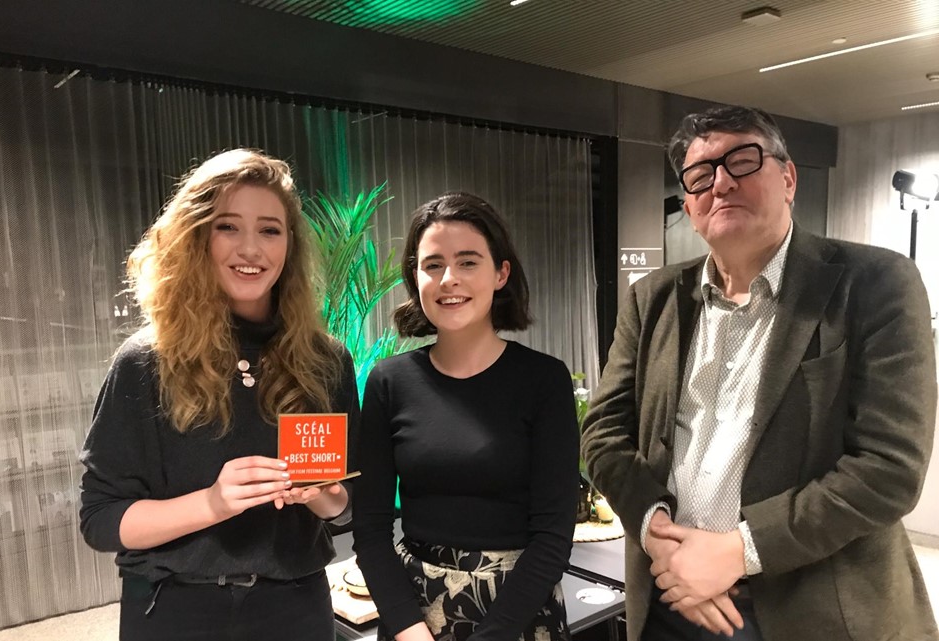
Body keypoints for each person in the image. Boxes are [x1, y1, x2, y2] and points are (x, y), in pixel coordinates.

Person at [581, 105, 938, 641]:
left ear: (788, 177)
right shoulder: (650, 300)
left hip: (812, 610)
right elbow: (603, 433)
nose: (721, 183)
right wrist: (659, 536)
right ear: (688, 206)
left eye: (742, 161)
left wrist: (738, 552)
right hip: (669, 600)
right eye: (700, 176)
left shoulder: (874, 284)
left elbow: (888, 468)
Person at [79, 149, 360, 641]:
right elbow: (102, 520)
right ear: (197, 237)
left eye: (270, 229)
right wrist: (211, 503)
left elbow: (351, 505)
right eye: (228, 226)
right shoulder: (146, 361)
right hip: (173, 608)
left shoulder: (326, 360)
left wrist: (327, 496)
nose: (251, 249)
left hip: (296, 608)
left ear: (289, 245)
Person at [352, 192, 579, 641]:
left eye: (468, 262)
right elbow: (370, 528)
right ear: (415, 277)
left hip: (519, 613)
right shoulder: (389, 381)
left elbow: (553, 536)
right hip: (414, 616)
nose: (448, 279)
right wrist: (408, 629)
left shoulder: (544, 380)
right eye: (432, 264)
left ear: (501, 273)